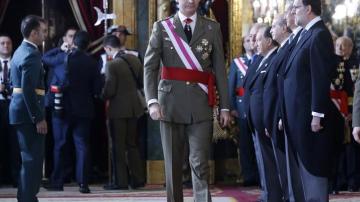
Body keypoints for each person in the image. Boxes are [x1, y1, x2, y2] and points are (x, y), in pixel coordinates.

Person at [144, 0, 231, 201]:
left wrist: (225, 106)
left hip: (201, 104)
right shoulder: (162, 27)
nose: (190, 1)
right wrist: (152, 101)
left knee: (200, 162)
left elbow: (219, 69)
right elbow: (150, 67)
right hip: (169, 105)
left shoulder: (212, 27)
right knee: (173, 165)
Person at [283, 0, 344, 201]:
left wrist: (317, 114)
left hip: (309, 118)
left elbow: (319, 77)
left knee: (313, 172)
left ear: (308, 9)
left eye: (296, 8)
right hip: (298, 116)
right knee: (303, 175)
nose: (293, 12)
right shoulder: (306, 34)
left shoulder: (319, 34)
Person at [9, 15, 48, 202]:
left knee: (29, 159)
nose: (45, 35)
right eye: (43, 31)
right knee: (32, 160)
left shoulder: (20, 50)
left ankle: (26, 197)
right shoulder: (31, 53)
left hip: (20, 111)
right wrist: (38, 117)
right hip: (28, 113)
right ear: (34, 33)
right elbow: (28, 89)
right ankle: (27, 199)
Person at [102, 35, 145, 190]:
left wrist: (101, 95)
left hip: (118, 111)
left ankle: (120, 181)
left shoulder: (112, 65)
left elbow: (110, 90)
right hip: (135, 109)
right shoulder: (134, 59)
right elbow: (141, 81)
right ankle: (138, 179)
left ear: (108, 48)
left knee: (118, 146)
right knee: (132, 144)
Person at [244, 26, 282, 202]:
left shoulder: (274, 58)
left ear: (268, 41)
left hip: (266, 119)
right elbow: (248, 83)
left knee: (270, 161)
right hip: (257, 119)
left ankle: (273, 195)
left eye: (259, 39)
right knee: (262, 160)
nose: (255, 43)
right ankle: (268, 193)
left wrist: (269, 120)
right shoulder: (261, 59)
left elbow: (272, 92)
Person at [42, 27, 78, 191]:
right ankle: (66, 176)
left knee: (65, 143)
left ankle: (60, 178)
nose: (73, 39)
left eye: (76, 37)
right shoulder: (60, 56)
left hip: (67, 106)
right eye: (70, 36)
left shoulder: (73, 57)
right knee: (62, 143)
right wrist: (60, 48)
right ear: (64, 38)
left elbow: (45, 57)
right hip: (59, 105)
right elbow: (45, 58)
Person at [228, 34, 259, 187]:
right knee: (246, 145)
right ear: (243, 44)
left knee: (259, 144)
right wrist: (232, 108)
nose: (251, 43)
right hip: (242, 109)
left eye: (253, 40)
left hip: (258, 107)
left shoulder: (261, 60)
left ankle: (261, 176)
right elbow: (230, 87)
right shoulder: (237, 63)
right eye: (247, 41)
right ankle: (249, 176)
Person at [0, 33, 20, 188]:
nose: (6, 46)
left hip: (14, 105)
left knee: (15, 143)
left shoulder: (18, 62)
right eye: (2, 43)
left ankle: (15, 178)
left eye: (8, 43)